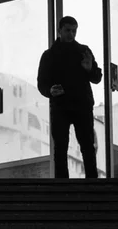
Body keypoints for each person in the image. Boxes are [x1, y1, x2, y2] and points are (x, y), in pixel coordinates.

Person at [37, 16, 102, 179]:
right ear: (59, 30)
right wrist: (50, 90)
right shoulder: (49, 55)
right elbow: (42, 83)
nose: (71, 34)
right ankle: (66, 183)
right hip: (63, 106)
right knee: (62, 147)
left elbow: (97, 77)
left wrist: (89, 69)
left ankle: (87, 181)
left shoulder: (82, 51)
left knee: (86, 146)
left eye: (74, 31)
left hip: (78, 105)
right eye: (68, 30)